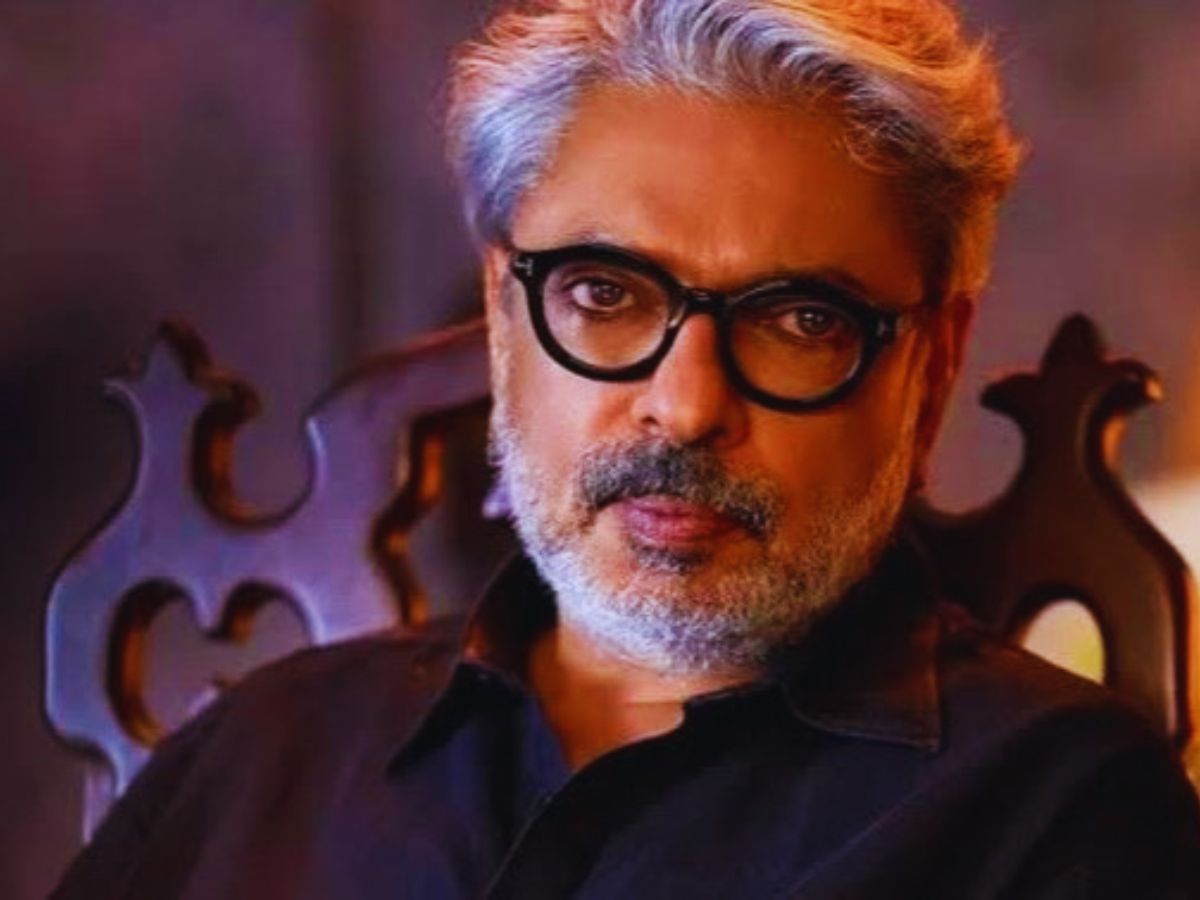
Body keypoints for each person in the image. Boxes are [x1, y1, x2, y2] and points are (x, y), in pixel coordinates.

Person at [55, 0, 1200, 897]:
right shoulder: (260, 753)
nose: (686, 407)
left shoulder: (1060, 811)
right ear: (503, 314)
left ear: (932, 363)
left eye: (801, 320)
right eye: (605, 293)